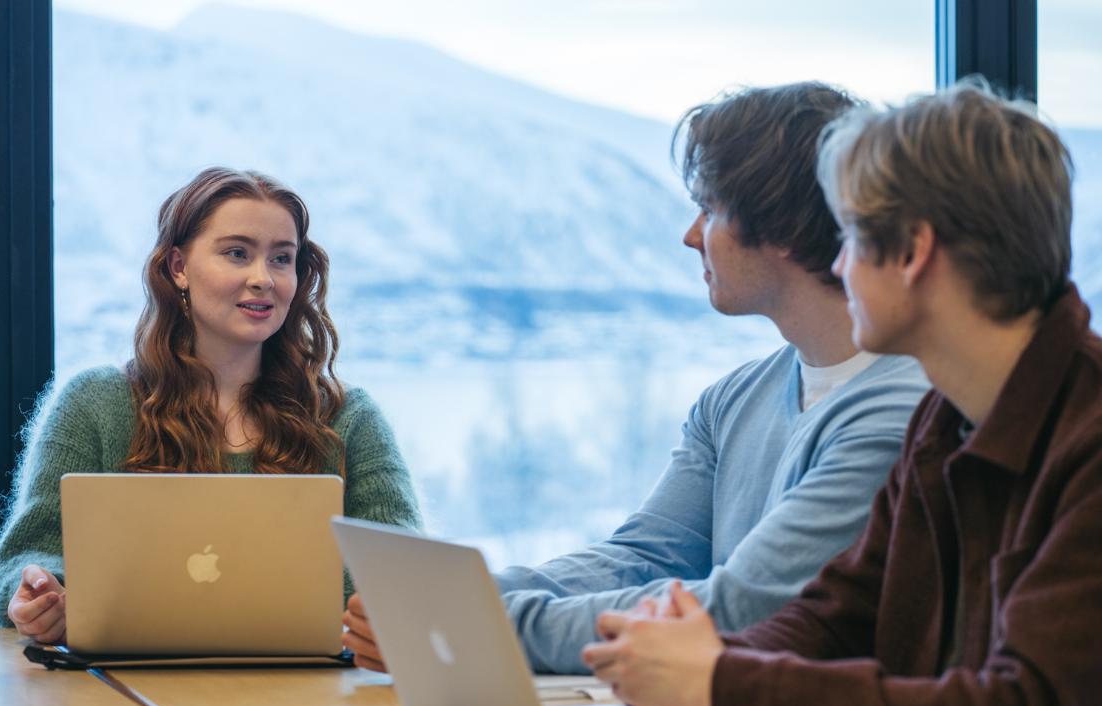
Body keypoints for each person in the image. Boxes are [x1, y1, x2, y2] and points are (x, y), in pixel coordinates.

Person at [582, 81, 1102, 706]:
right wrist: (686, 666)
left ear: (913, 252)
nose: (837, 263)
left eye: (851, 235)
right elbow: (838, 615)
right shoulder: (944, 421)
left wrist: (723, 682)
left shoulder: (1092, 441)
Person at [343, 83, 930, 674]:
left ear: (776, 227)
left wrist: (470, 624)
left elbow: (744, 610)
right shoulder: (731, 400)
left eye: (710, 209)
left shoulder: (902, 409)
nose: (691, 235)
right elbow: (646, 557)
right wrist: (453, 600)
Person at [0, 167, 422, 643]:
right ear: (178, 267)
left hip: (314, 702)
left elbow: (406, 578)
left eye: (282, 259)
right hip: (122, 699)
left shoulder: (348, 418)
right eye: (237, 254)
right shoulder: (94, 404)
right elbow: (21, 566)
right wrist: (41, 597)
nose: (263, 279)